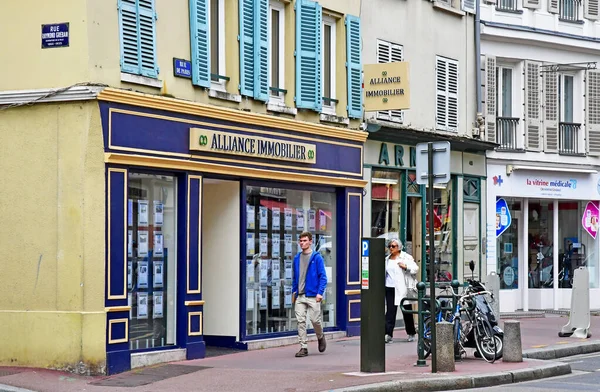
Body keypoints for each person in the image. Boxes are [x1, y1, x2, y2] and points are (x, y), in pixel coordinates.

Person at [292, 231, 328, 357]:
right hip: (300, 295)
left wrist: (320, 293)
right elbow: (295, 278)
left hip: (313, 295)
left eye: (305, 241)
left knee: (315, 320)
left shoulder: (316, 257)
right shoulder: (296, 258)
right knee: (300, 321)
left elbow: (323, 277)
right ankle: (303, 347)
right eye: (301, 241)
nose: (302, 243)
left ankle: (320, 336)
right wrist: (294, 291)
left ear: (310, 242)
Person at [385, 239, 419, 343]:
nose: (391, 248)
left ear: (399, 247)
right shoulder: (387, 259)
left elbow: (415, 268)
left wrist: (406, 267)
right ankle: (388, 334)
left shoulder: (405, 257)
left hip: (402, 287)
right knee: (390, 311)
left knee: (406, 310)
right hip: (389, 287)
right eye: (390, 246)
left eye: (393, 246)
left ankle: (411, 332)